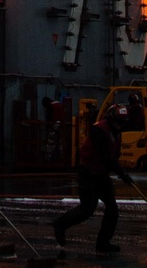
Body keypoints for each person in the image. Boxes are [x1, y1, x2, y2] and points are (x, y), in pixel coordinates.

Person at [54, 105, 129, 254]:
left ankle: (103, 243)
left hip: (101, 174)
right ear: (111, 119)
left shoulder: (117, 132)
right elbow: (106, 157)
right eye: (118, 121)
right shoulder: (99, 130)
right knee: (87, 209)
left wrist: (120, 171)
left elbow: (113, 156)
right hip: (88, 172)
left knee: (112, 209)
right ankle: (60, 225)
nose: (120, 125)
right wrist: (122, 174)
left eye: (122, 122)